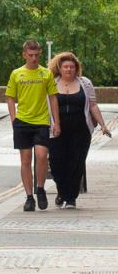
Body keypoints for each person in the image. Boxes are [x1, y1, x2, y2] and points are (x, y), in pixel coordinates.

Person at [48, 51, 111, 208]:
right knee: (56, 163)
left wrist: (103, 125)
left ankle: (71, 198)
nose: (69, 69)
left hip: (80, 129)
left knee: (76, 162)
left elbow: (93, 105)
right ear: (60, 68)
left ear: (76, 68)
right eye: (65, 67)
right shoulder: (52, 83)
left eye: (72, 67)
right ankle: (62, 191)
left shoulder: (85, 83)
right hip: (57, 129)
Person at [5, 39, 60, 212]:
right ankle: (29, 197)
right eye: (30, 55)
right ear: (24, 55)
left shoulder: (46, 74)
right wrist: (13, 119)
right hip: (22, 121)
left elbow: (53, 97)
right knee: (26, 159)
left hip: (41, 121)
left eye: (36, 55)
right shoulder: (16, 74)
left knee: (42, 155)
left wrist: (56, 122)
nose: (34, 59)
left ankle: (41, 188)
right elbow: (10, 97)